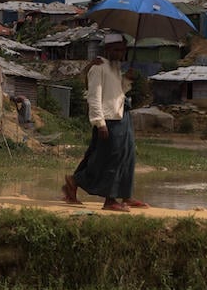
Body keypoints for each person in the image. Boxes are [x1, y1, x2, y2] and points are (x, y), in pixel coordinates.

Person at [62, 32, 148, 212]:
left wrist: (127, 80)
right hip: (108, 119)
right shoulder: (98, 67)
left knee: (127, 156)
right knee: (111, 160)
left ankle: (126, 195)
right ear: (107, 49)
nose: (120, 54)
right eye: (116, 50)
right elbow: (94, 97)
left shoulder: (115, 67)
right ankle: (109, 200)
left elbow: (118, 92)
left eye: (122, 50)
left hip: (122, 116)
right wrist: (99, 122)